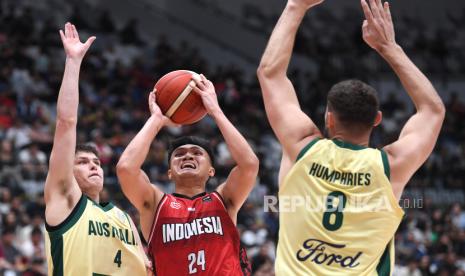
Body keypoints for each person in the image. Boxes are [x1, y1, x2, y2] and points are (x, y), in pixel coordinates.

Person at [257, 0, 445, 275]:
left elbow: (270, 74)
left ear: (328, 118)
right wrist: (389, 48)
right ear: (377, 119)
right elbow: (433, 109)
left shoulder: (302, 146)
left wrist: (296, 6)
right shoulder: (391, 166)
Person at [116, 74, 259, 275]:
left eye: (197, 153)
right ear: (169, 173)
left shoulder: (224, 200)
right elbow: (126, 169)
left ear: (211, 171)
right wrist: (156, 120)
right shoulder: (156, 204)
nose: (187, 156)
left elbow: (249, 164)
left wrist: (215, 111)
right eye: (179, 154)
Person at [44, 23, 148, 275]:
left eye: (97, 163)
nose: (93, 165)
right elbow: (66, 124)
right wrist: (73, 61)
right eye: (82, 162)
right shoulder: (65, 198)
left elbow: (147, 268)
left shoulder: (124, 219)